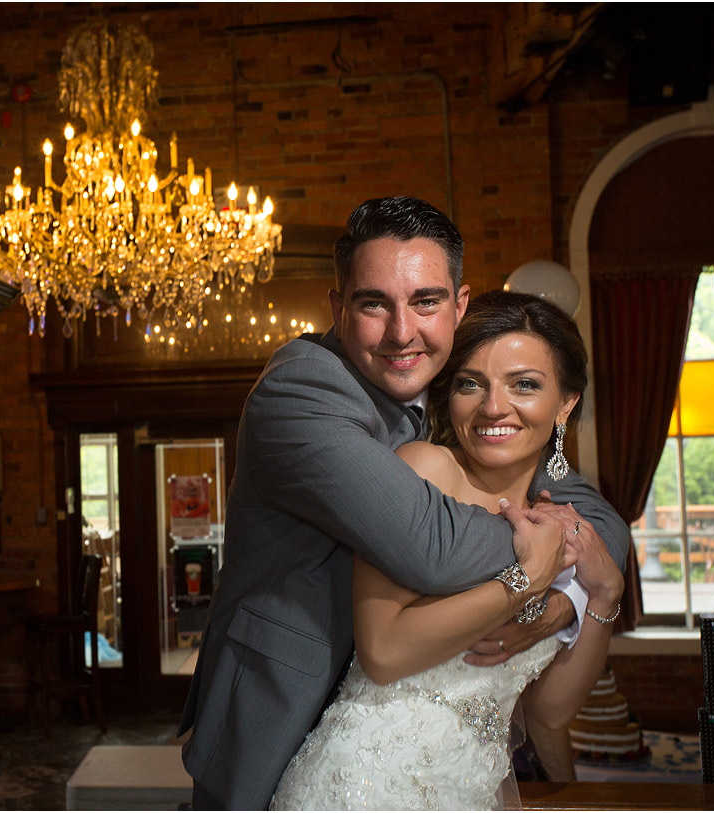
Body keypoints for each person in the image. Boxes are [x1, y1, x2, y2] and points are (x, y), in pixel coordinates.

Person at [177, 197, 629, 810]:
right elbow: (431, 545)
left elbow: (590, 515)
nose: (401, 332)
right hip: (286, 717)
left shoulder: (444, 409)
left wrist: (586, 589)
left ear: (458, 305)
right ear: (337, 308)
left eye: (425, 301)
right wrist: (549, 564)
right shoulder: (302, 392)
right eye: (373, 303)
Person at [270, 290, 624, 809]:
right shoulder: (424, 471)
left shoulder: (551, 523)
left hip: (472, 789)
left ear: (565, 403)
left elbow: (550, 710)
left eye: (524, 385)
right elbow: (384, 652)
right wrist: (525, 579)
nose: (494, 407)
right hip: (368, 783)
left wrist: (604, 593)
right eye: (470, 384)